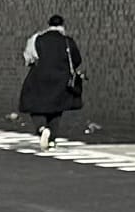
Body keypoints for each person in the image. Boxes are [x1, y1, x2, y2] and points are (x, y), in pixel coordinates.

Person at [18, 18, 85, 149]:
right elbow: (77, 60)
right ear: (62, 26)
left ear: (48, 25)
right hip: (61, 79)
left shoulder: (37, 39)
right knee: (56, 109)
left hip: (39, 77)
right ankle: (52, 139)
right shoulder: (67, 41)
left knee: (34, 105)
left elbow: (28, 58)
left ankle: (42, 129)